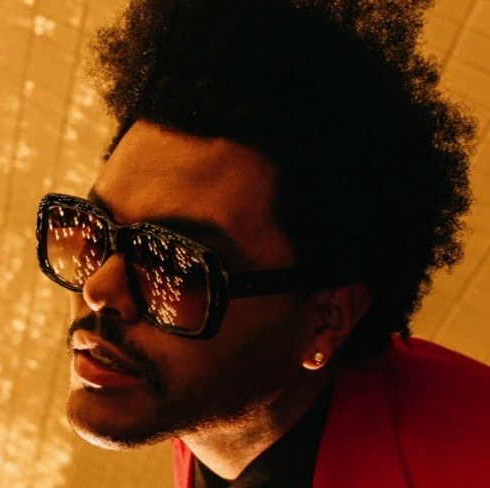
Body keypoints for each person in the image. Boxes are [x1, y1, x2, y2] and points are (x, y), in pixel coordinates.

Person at [34, 0, 490, 486]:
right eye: (94, 231)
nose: (99, 290)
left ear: (325, 322)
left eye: (174, 264)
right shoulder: (196, 397)